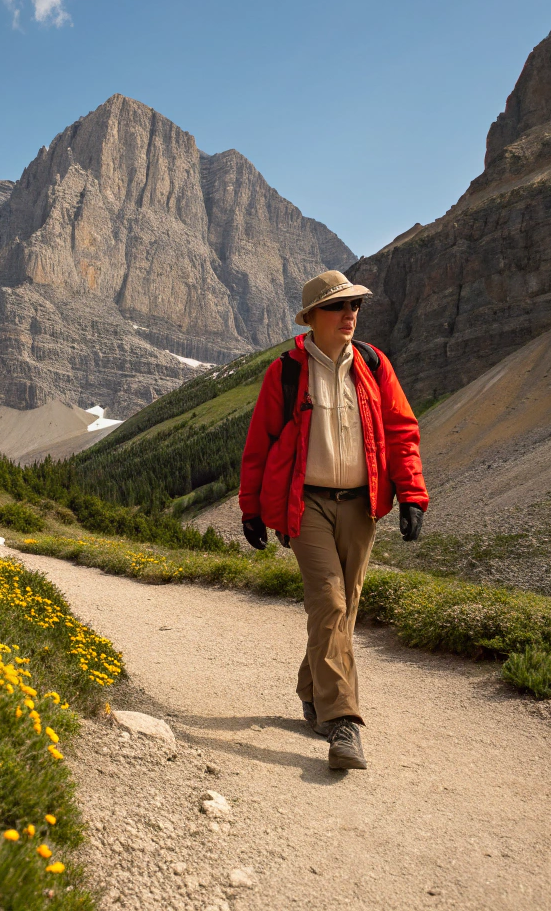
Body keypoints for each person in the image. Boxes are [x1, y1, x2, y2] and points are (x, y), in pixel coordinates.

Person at [238, 270, 428, 770]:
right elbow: (259, 445)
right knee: (329, 601)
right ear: (312, 317)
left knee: (344, 611)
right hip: (308, 506)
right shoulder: (285, 371)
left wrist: (411, 493)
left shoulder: (373, 363)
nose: (350, 315)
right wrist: (251, 509)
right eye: (338, 307)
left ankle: (311, 690)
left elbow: (401, 430)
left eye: (355, 307)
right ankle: (344, 723)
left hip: (362, 504)